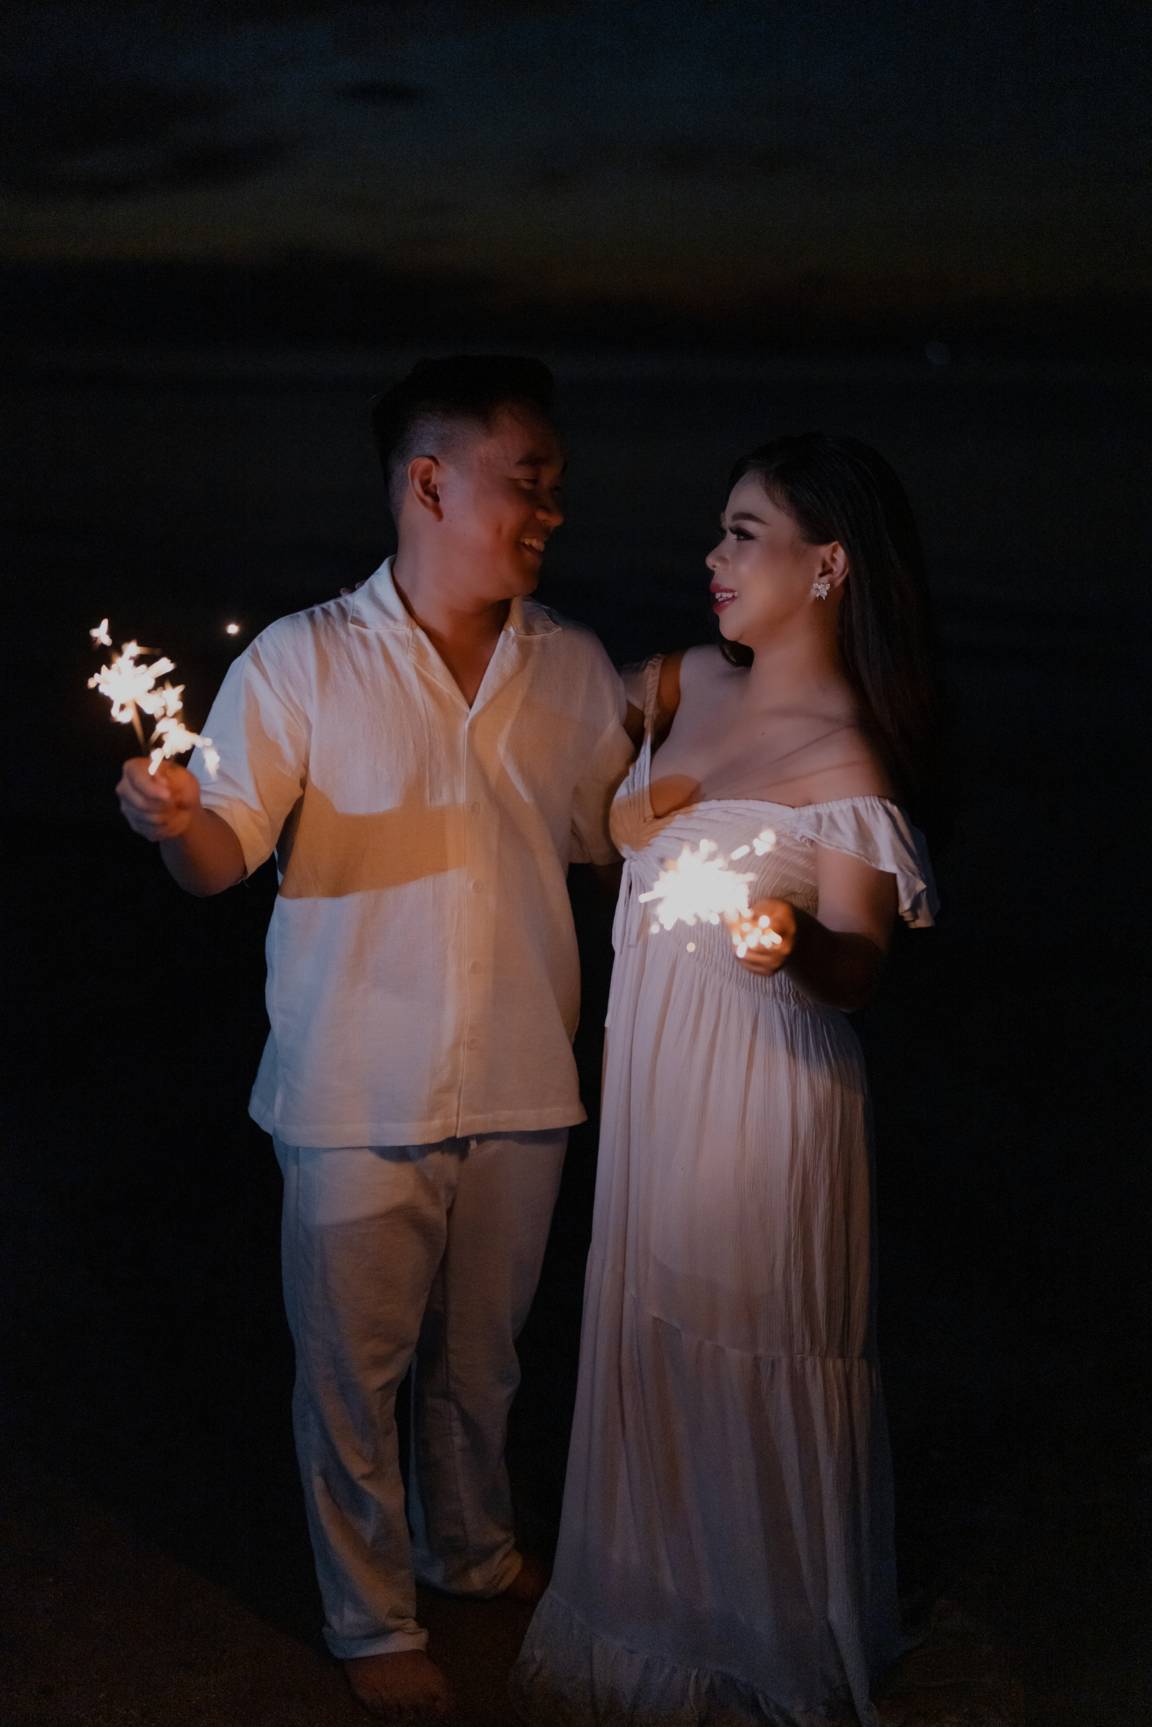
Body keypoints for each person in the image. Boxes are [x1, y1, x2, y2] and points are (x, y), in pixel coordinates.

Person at [115, 355, 634, 1722]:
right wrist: (177, 824)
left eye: (555, 487)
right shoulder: (301, 658)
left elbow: (616, 834)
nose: (550, 512)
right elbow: (226, 855)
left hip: (523, 1070)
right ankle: (368, 1616)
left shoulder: (572, 665)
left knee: (486, 1359)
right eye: (529, 482)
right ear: (429, 483)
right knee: (356, 1373)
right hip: (352, 1079)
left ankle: (471, 1549)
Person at [512, 433, 938, 1726]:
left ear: (828, 567)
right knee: (650, 1319)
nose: (714, 556)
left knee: (743, 1337)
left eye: (745, 534)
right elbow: (545, 723)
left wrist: (791, 939)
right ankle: (646, 1604)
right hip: (655, 1070)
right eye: (720, 529)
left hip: (764, 1091)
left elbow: (858, 968)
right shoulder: (680, 681)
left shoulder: (847, 756)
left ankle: (755, 1626)